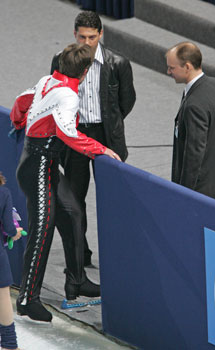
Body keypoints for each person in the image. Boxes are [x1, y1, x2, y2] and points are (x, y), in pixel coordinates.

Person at [10, 43, 120, 323]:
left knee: (72, 212)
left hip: (39, 161)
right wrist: (100, 149)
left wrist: (20, 122)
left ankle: (76, 281)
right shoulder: (69, 96)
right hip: (38, 166)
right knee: (42, 230)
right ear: (84, 73)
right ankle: (26, 299)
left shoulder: (47, 80)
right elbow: (69, 134)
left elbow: (20, 103)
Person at [51, 11, 136, 268]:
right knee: (75, 200)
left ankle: (115, 255)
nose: (86, 42)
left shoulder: (118, 63)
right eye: (81, 37)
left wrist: (110, 123)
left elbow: (126, 101)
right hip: (75, 135)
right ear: (74, 34)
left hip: (106, 137)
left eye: (91, 37)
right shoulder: (61, 60)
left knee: (112, 199)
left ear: (101, 34)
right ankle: (80, 256)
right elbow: (56, 92)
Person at [166, 42, 215, 201]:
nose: (168, 71)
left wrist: (185, 194)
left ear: (187, 67)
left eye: (172, 68)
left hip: (202, 190)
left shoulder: (194, 104)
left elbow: (194, 154)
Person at [0, 172, 22, 350]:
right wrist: (15, 233)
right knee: (2, 296)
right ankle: (9, 344)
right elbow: (9, 227)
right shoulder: (3, 193)